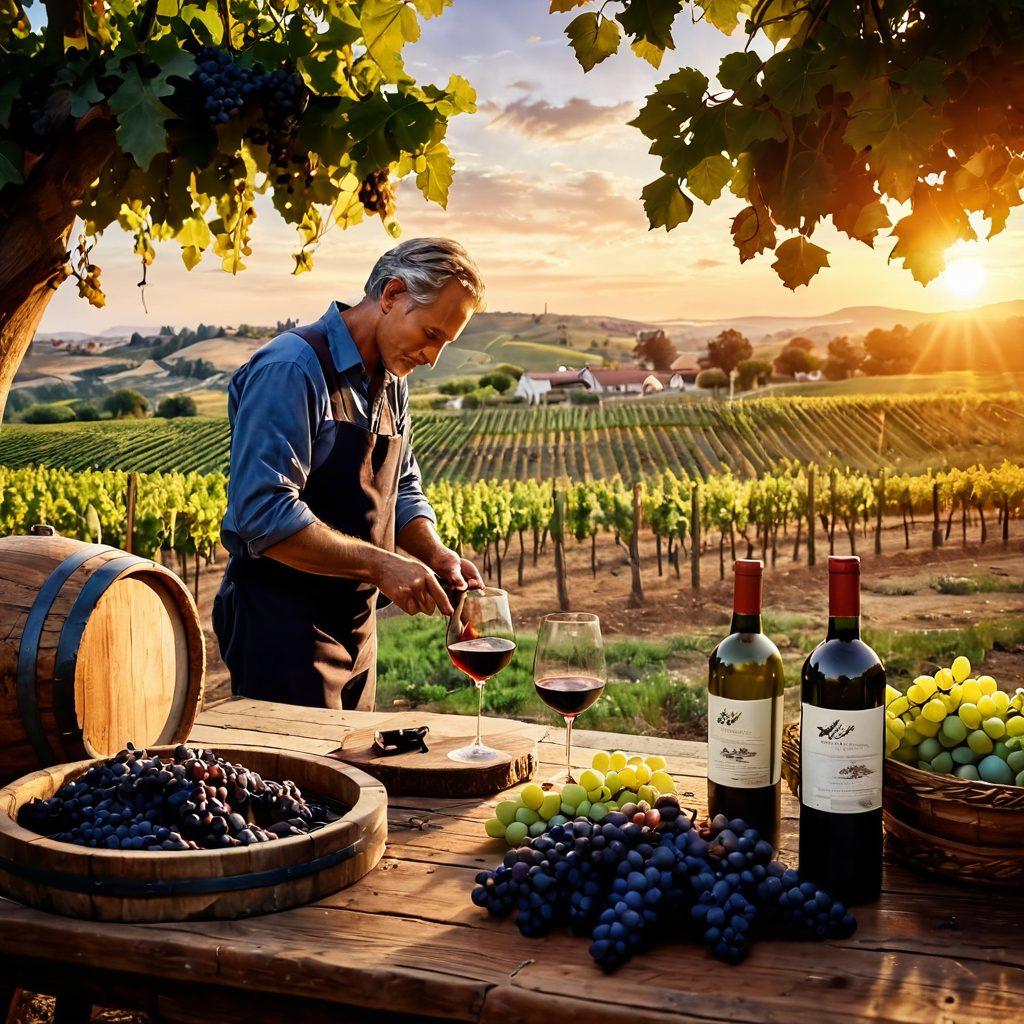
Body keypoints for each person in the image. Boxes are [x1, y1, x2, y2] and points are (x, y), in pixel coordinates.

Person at [213, 237, 485, 710]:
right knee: (299, 782)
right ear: (392, 295)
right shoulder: (292, 369)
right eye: (431, 334)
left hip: (357, 628)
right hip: (282, 628)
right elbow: (262, 514)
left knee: (356, 773)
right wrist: (383, 565)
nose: (432, 357)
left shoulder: (391, 382)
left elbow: (400, 486)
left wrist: (435, 553)